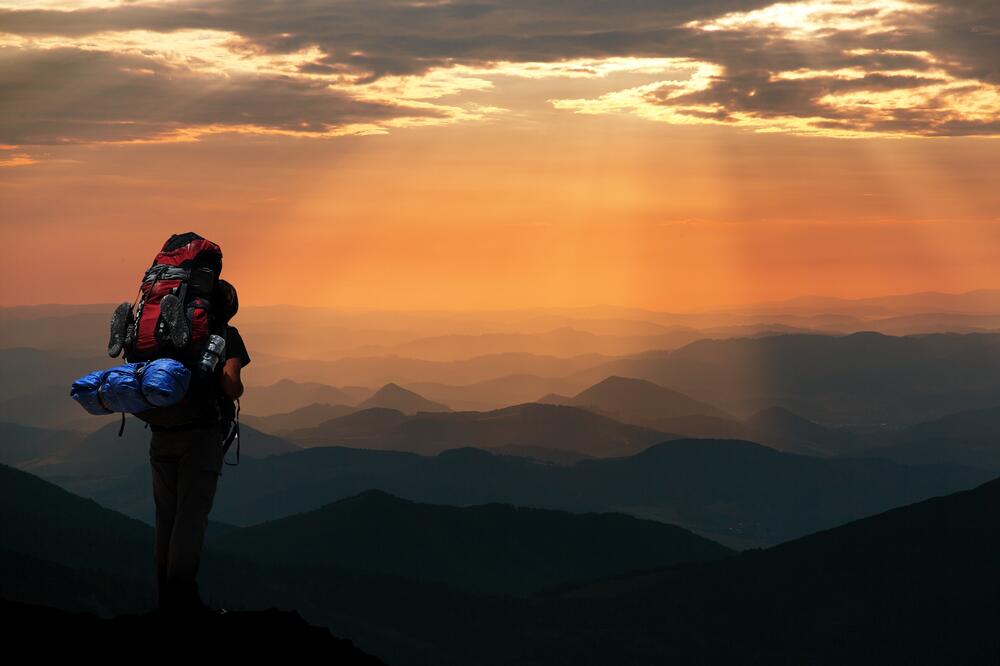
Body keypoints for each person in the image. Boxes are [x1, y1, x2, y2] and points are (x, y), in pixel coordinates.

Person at [148, 278, 250, 616]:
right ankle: (182, 603)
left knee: (166, 518)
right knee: (190, 520)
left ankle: (166, 602)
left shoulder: (172, 335)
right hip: (200, 438)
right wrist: (237, 390)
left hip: (161, 431)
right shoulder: (226, 335)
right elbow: (231, 384)